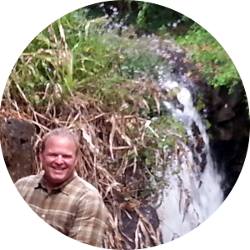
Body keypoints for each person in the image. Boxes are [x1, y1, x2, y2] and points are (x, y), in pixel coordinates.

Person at [14, 128, 108, 248]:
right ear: (41, 156)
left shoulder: (88, 199)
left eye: (66, 156)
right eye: (53, 155)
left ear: (76, 160)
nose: (59, 161)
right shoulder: (22, 187)